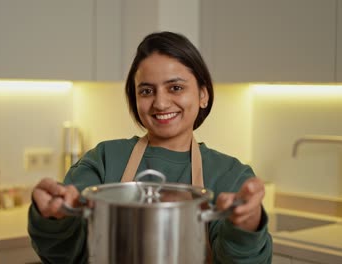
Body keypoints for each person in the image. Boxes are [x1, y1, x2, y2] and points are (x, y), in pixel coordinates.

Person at [28, 31, 272, 263]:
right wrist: (53, 218)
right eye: (146, 91)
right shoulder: (103, 160)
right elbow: (65, 256)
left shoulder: (231, 175)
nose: (161, 103)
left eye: (175, 87)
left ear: (203, 94)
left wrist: (247, 224)